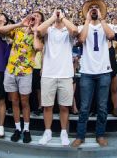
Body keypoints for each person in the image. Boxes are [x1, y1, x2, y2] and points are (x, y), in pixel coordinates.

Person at [0, 11, 44, 143]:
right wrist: (21, 23)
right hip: (10, 71)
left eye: (38, 17)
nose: (34, 17)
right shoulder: (18, 30)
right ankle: (17, 128)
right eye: (33, 15)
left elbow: (37, 47)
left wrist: (35, 30)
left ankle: (26, 130)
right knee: (14, 102)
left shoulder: (40, 34)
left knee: (24, 102)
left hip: (25, 72)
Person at [72, 0, 115, 147]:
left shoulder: (105, 25)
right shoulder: (83, 26)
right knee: (84, 107)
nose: (94, 10)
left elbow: (111, 36)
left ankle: (100, 134)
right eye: (91, 8)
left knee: (102, 106)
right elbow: (82, 39)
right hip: (87, 72)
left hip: (104, 71)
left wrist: (102, 19)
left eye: (96, 8)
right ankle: (80, 135)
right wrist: (87, 21)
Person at [36, 9, 78, 146]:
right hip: (48, 73)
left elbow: (75, 31)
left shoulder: (68, 31)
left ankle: (63, 132)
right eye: (56, 12)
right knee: (47, 107)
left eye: (60, 13)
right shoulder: (49, 29)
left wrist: (63, 18)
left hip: (65, 74)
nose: (58, 15)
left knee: (65, 107)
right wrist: (53, 17)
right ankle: (47, 132)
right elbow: (38, 30)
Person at [108, 38, 117, 117]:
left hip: (113, 68)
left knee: (114, 90)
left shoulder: (114, 43)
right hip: (103, 69)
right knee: (102, 91)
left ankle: (115, 109)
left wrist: (116, 56)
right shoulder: (99, 42)